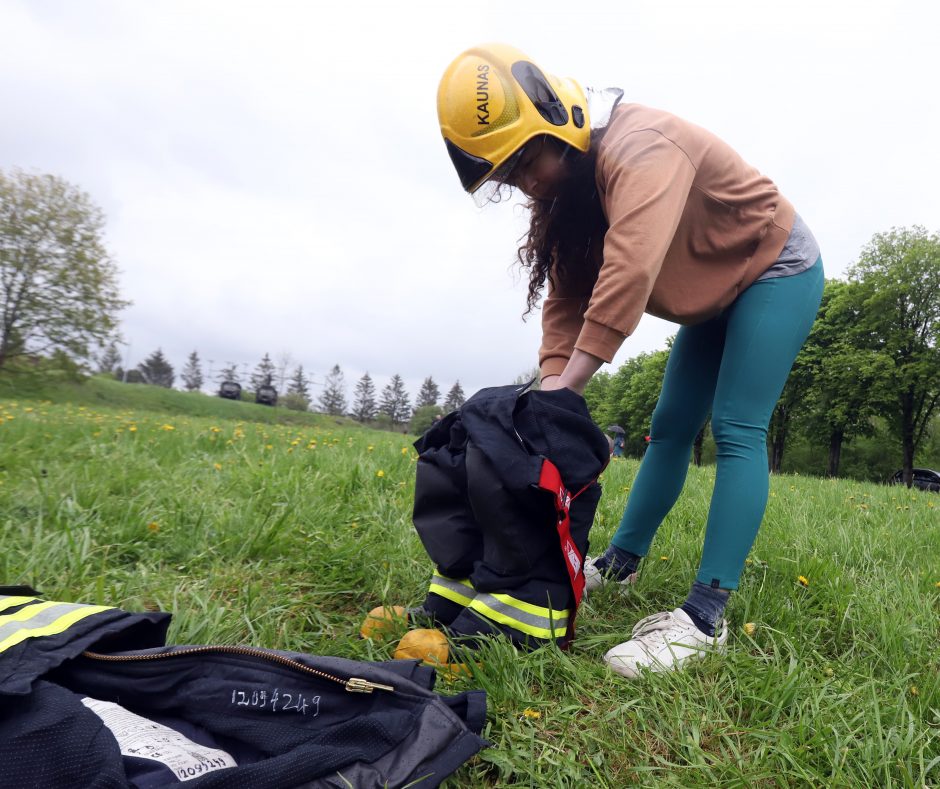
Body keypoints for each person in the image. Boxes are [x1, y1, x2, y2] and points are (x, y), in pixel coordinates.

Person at [437, 44, 824, 677]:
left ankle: (704, 617)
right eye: (508, 176)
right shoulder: (565, 191)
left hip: (774, 267)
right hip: (713, 295)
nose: (525, 183)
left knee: (735, 426)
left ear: (556, 121)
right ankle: (619, 562)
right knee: (670, 428)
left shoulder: (643, 146)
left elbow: (632, 267)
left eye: (525, 162)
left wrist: (567, 391)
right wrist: (548, 393)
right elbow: (565, 297)